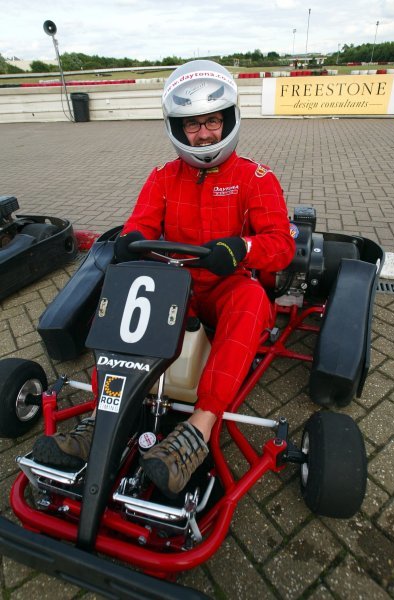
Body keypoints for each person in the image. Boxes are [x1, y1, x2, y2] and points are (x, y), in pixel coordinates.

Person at [33, 60, 295, 498]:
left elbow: (281, 245)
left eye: (213, 121)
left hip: (228, 283)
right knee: (128, 286)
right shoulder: (162, 177)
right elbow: (140, 226)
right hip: (177, 283)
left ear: (228, 120)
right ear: (177, 127)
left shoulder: (255, 177)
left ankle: (199, 426)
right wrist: (130, 242)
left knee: (251, 299)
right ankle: (105, 415)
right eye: (193, 125)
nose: (205, 134)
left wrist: (243, 248)